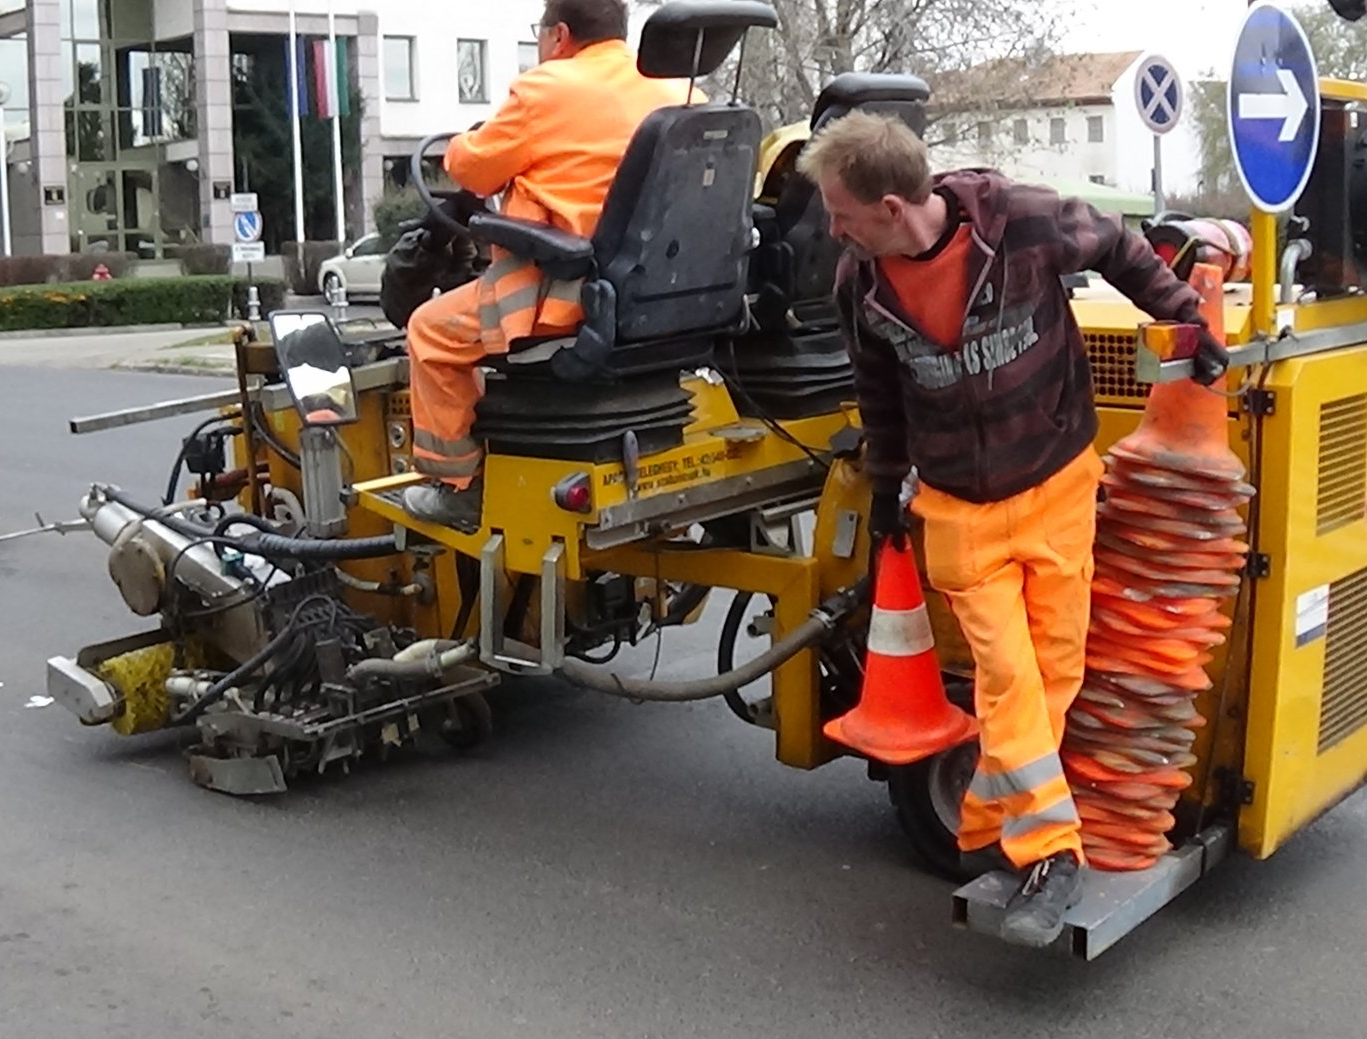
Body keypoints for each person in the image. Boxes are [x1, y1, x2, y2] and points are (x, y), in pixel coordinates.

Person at [797, 112, 1227, 947]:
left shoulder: (1024, 223)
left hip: (1059, 482)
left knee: (1055, 671)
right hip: (958, 507)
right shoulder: (862, 284)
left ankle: (990, 817)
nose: (831, 228)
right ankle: (1049, 851)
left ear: (892, 205)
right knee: (1005, 675)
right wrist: (888, 486)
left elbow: (1119, 248)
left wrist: (1187, 319)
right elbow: (879, 392)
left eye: (841, 213)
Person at [398, 0, 696, 531]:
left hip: (564, 298)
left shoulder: (544, 89)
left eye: (538, 32)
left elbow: (471, 167)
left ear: (559, 34)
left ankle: (459, 487)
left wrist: (471, 138)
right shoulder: (676, 89)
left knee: (428, 332)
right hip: (659, 299)